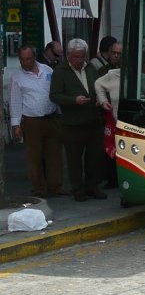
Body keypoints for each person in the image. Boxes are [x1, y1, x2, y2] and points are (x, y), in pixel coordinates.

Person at [49, 38, 107, 202]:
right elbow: (54, 95)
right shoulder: (60, 71)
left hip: (93, 120)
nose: (79, 60)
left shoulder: (90, 68)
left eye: (82, 57)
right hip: (72, 124)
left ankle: (92, 186)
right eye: (76, 57)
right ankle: (78, 189)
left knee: (94, 157)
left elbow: (98, 86)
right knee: (74, 159)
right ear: (68, 55)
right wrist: (74, 100)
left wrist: (99, 98)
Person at [8, 45, 65, 198]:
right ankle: (38, 189)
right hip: (32, 120)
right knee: (34, 157)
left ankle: (55, 186)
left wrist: (60, 115)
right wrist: (16, 125)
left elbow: (55, 92)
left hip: (51, 118)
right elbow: (15, 101)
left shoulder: (47, 70)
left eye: (28, 59)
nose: (25, 62)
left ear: (34, 57)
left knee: (54, 154)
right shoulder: (17, 77)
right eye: (22, 59)